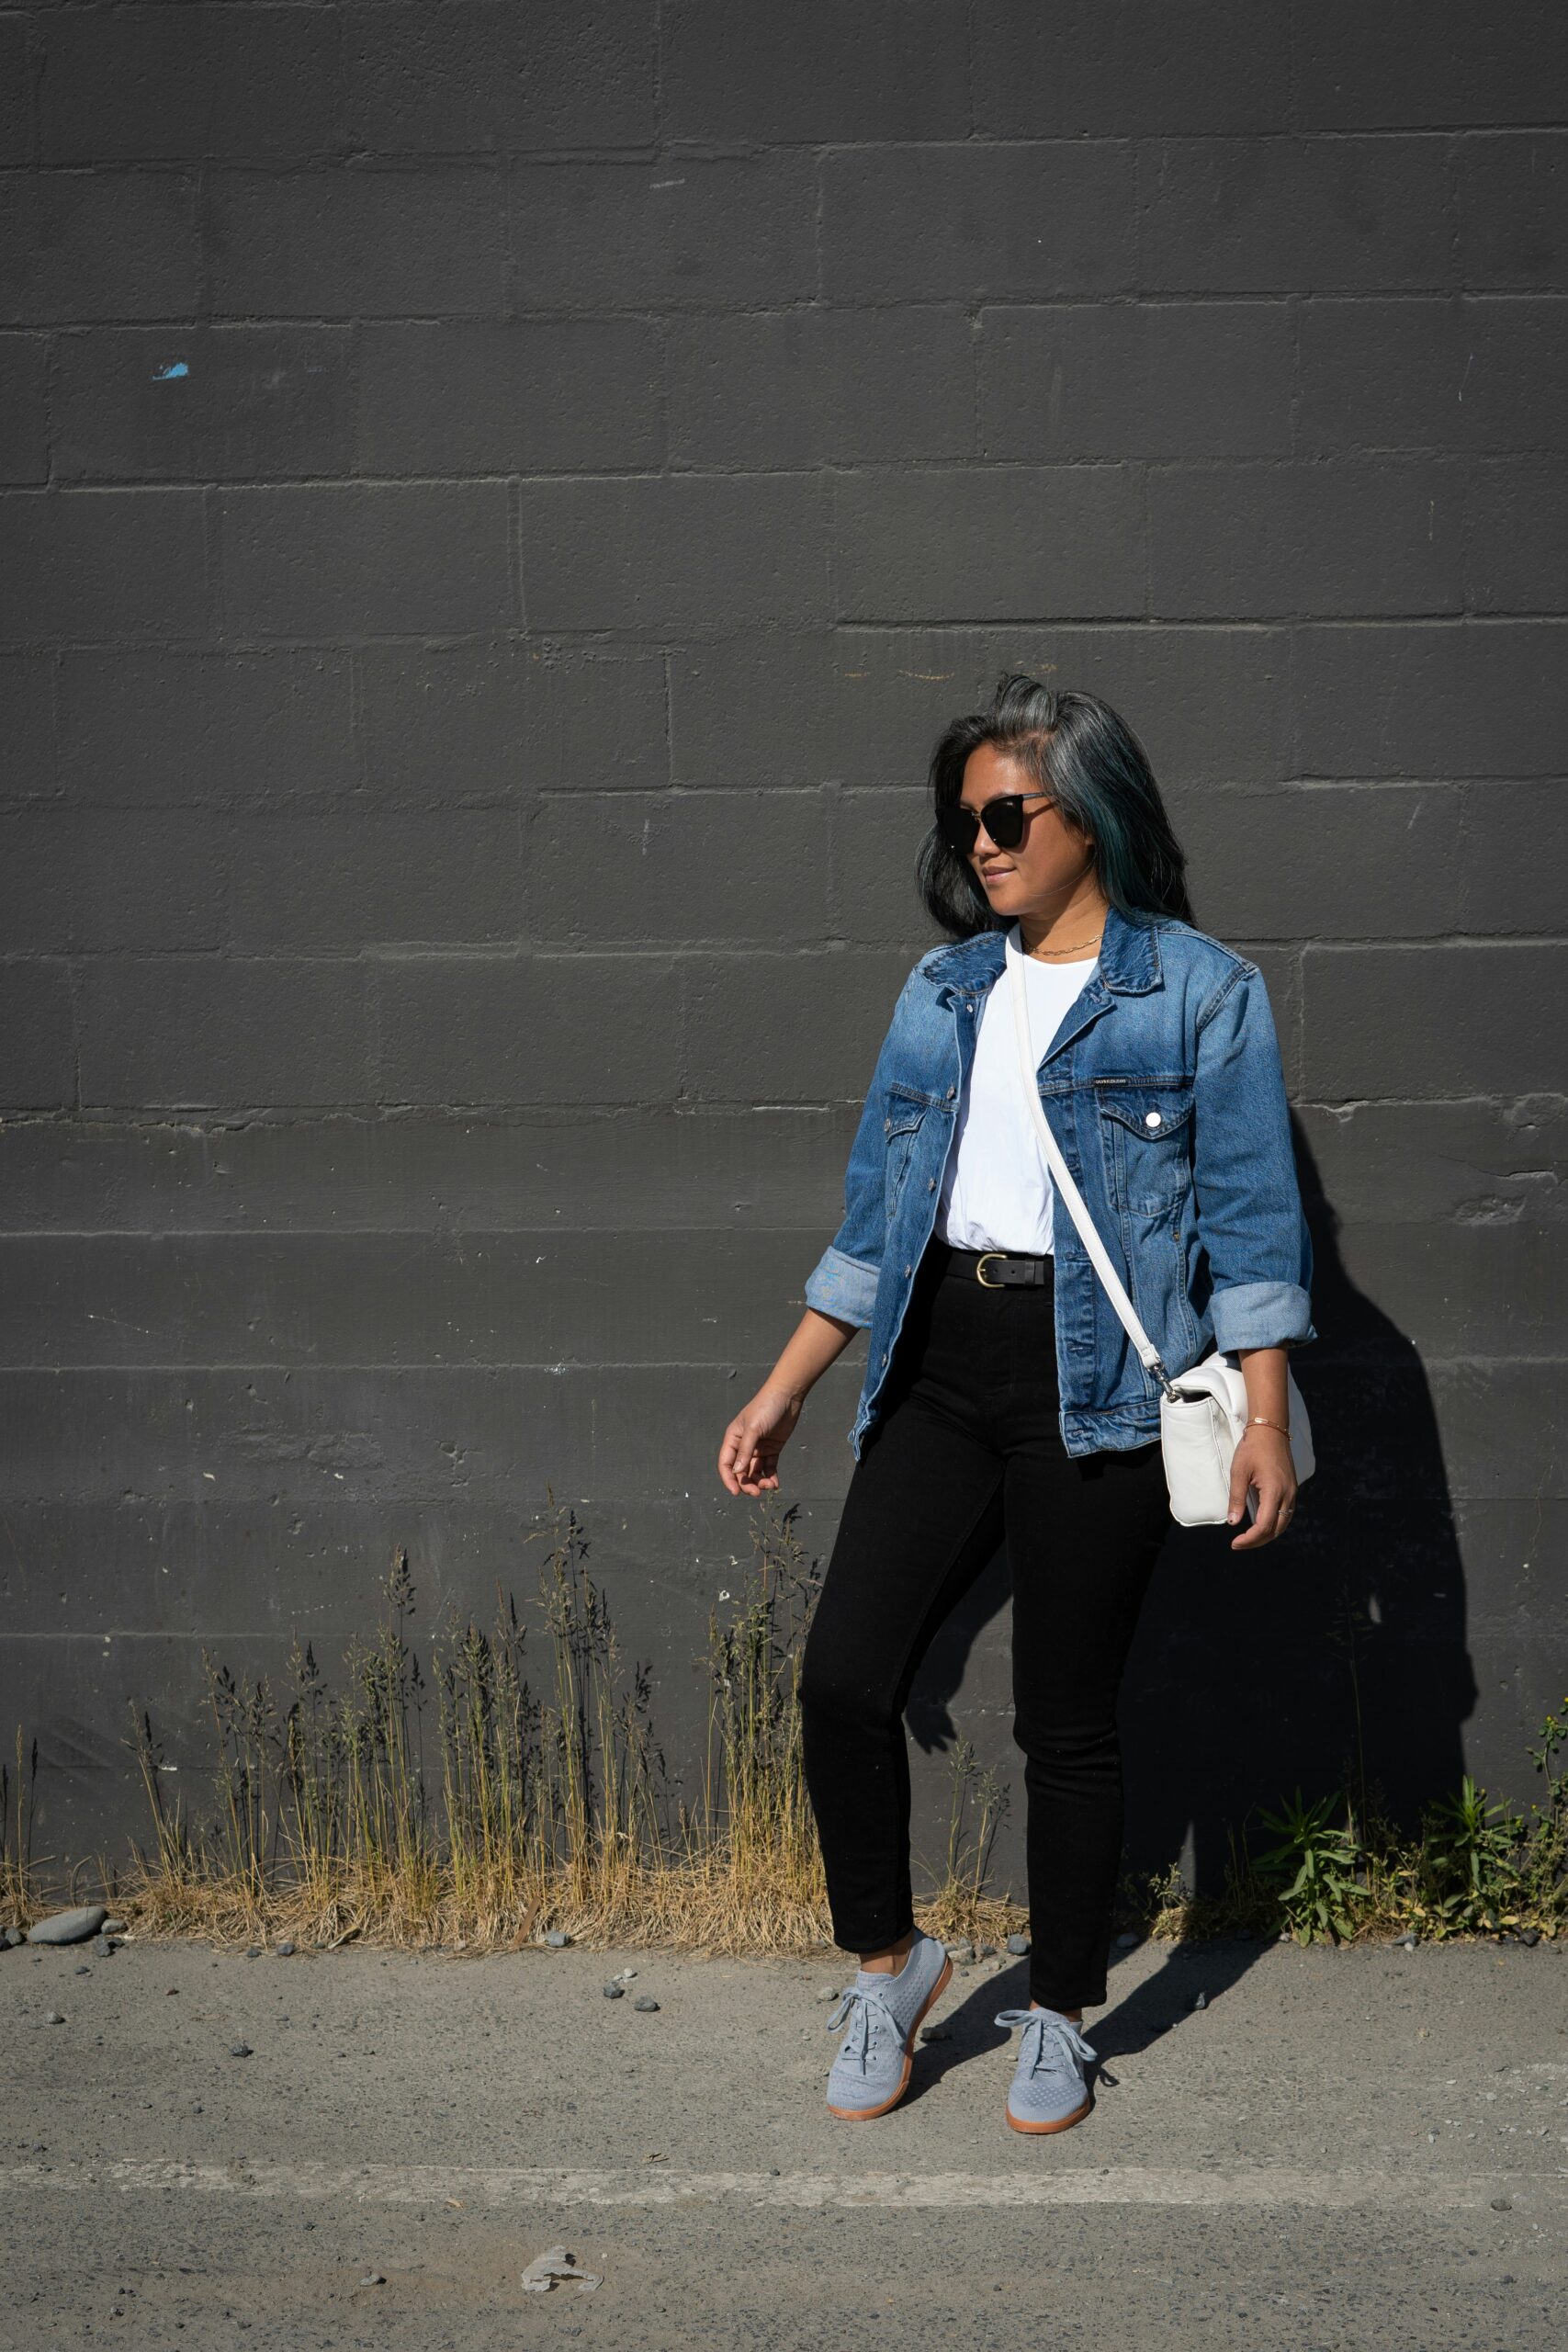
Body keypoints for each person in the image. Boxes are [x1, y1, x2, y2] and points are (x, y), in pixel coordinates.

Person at [716, 674, 1316, 2136]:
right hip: (941, 1363)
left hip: (1097, 1381)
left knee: (1067, 1718)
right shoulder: (942, 992)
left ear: (1089, 815)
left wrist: (1262, 1418)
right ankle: (890, 1967)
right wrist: (785, 1388)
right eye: (964, 821)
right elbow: (877, 1221)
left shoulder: (1201, 990)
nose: (979, 844)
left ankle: (1058, 2010)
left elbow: (1253, 1225)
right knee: (844, 1679)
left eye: (1006, 815)